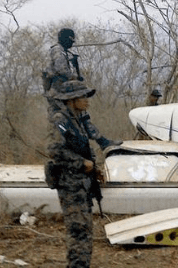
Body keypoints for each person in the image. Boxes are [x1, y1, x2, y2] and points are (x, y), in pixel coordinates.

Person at [45, 80, 105, 268]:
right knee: (78, 231)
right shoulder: (60, 120)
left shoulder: (77, 121)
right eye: (83, 97)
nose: (87, 100)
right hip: (70, 185)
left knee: (85, 231)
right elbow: (54, 150)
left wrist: (94, 168)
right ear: (71, 100)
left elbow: (84, 150)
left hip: (81, 185)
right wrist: (81, 163)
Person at [42, 28, 119, 149]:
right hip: (58, 93)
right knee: (70, 118)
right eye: (71, 40)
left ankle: (100, 140)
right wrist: (75, 77)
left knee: (82, 114)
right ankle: (86, 145)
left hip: (62, 90)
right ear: (67, 39)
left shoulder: (63, 51)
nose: (73, 43)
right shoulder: (57, 50)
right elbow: (61, 69)